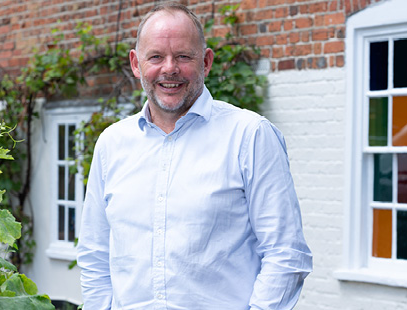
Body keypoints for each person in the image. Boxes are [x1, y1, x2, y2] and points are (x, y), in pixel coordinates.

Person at [76, 3, 312, 309]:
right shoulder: (112, 143)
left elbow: (286, 254)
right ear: (136, 64)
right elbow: (95, 255)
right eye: (156, 56)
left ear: (206, 61)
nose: (169, 68)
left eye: (184, 56)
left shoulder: (249, 135)